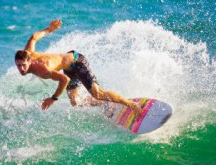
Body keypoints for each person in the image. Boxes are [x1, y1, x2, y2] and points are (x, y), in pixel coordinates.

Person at [14, 20, 142, 116]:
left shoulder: (43, 71)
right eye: (18, 66)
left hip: (77, 61)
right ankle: (106, 103)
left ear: (29, 61)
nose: (21, 69)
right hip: (69, 67)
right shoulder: (27, 52)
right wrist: (49, 29)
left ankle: (131, 105)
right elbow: (34, 37)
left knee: (97, 93)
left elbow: (64, 80)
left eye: (24, 65)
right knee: (76, 101)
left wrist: (53, 99)